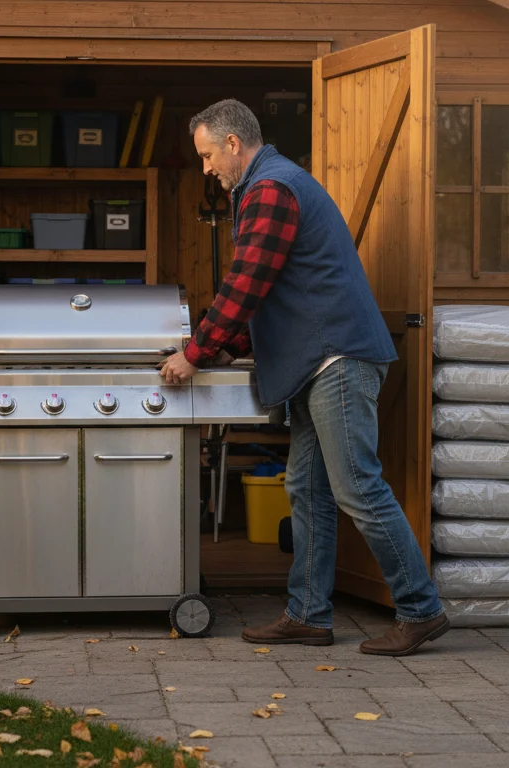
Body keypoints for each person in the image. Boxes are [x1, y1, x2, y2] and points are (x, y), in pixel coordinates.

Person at [159, 99, 448, 656]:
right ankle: (309, 615)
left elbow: (246, 283)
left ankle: (421, 608)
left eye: (206, 155)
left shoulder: (272, 189)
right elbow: (276, 294)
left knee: (357, 486)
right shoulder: (266, 187)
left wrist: (196, 352)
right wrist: (226, 349)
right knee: (308, 488)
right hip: (321, 362)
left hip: (336, 358)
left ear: (234, 144)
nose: (206, 168)